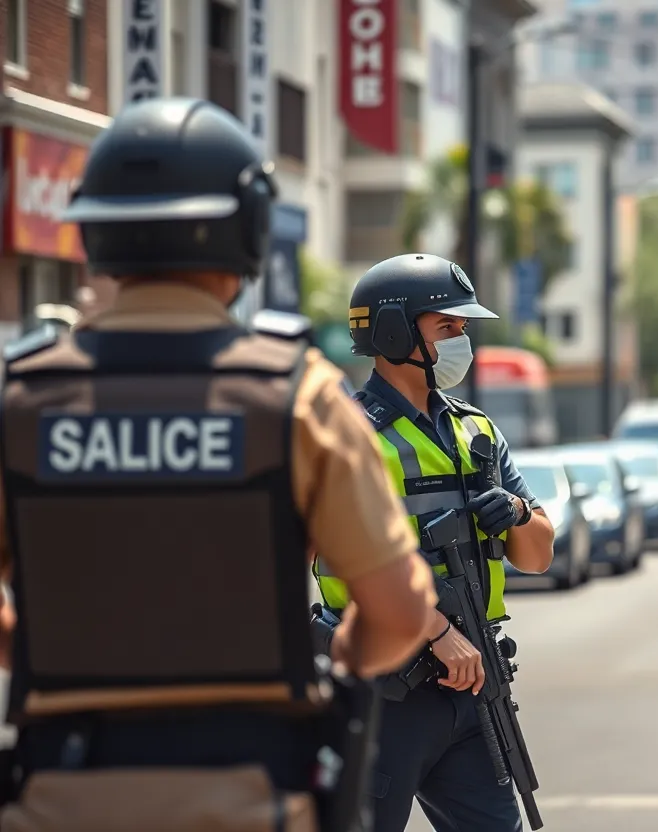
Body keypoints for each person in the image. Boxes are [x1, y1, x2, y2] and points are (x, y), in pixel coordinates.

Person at [0, 98, 436, 830]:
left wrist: (41, 639)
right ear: (248, 229)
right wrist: (338, 663)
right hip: (249, 797)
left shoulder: (21, 402)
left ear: (94, 232)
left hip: (58, 797)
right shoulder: (299, 399)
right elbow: (398, 614)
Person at [312, 252, 556, 832]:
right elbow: (336, 551)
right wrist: (437, 632)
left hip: (472, 689)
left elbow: (538, 555)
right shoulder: (344, 433)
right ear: (394, 331)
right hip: (382, 693)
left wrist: (517, 512)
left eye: (464, 328)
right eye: (447, 326)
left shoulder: (478, 430)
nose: (462, 340)